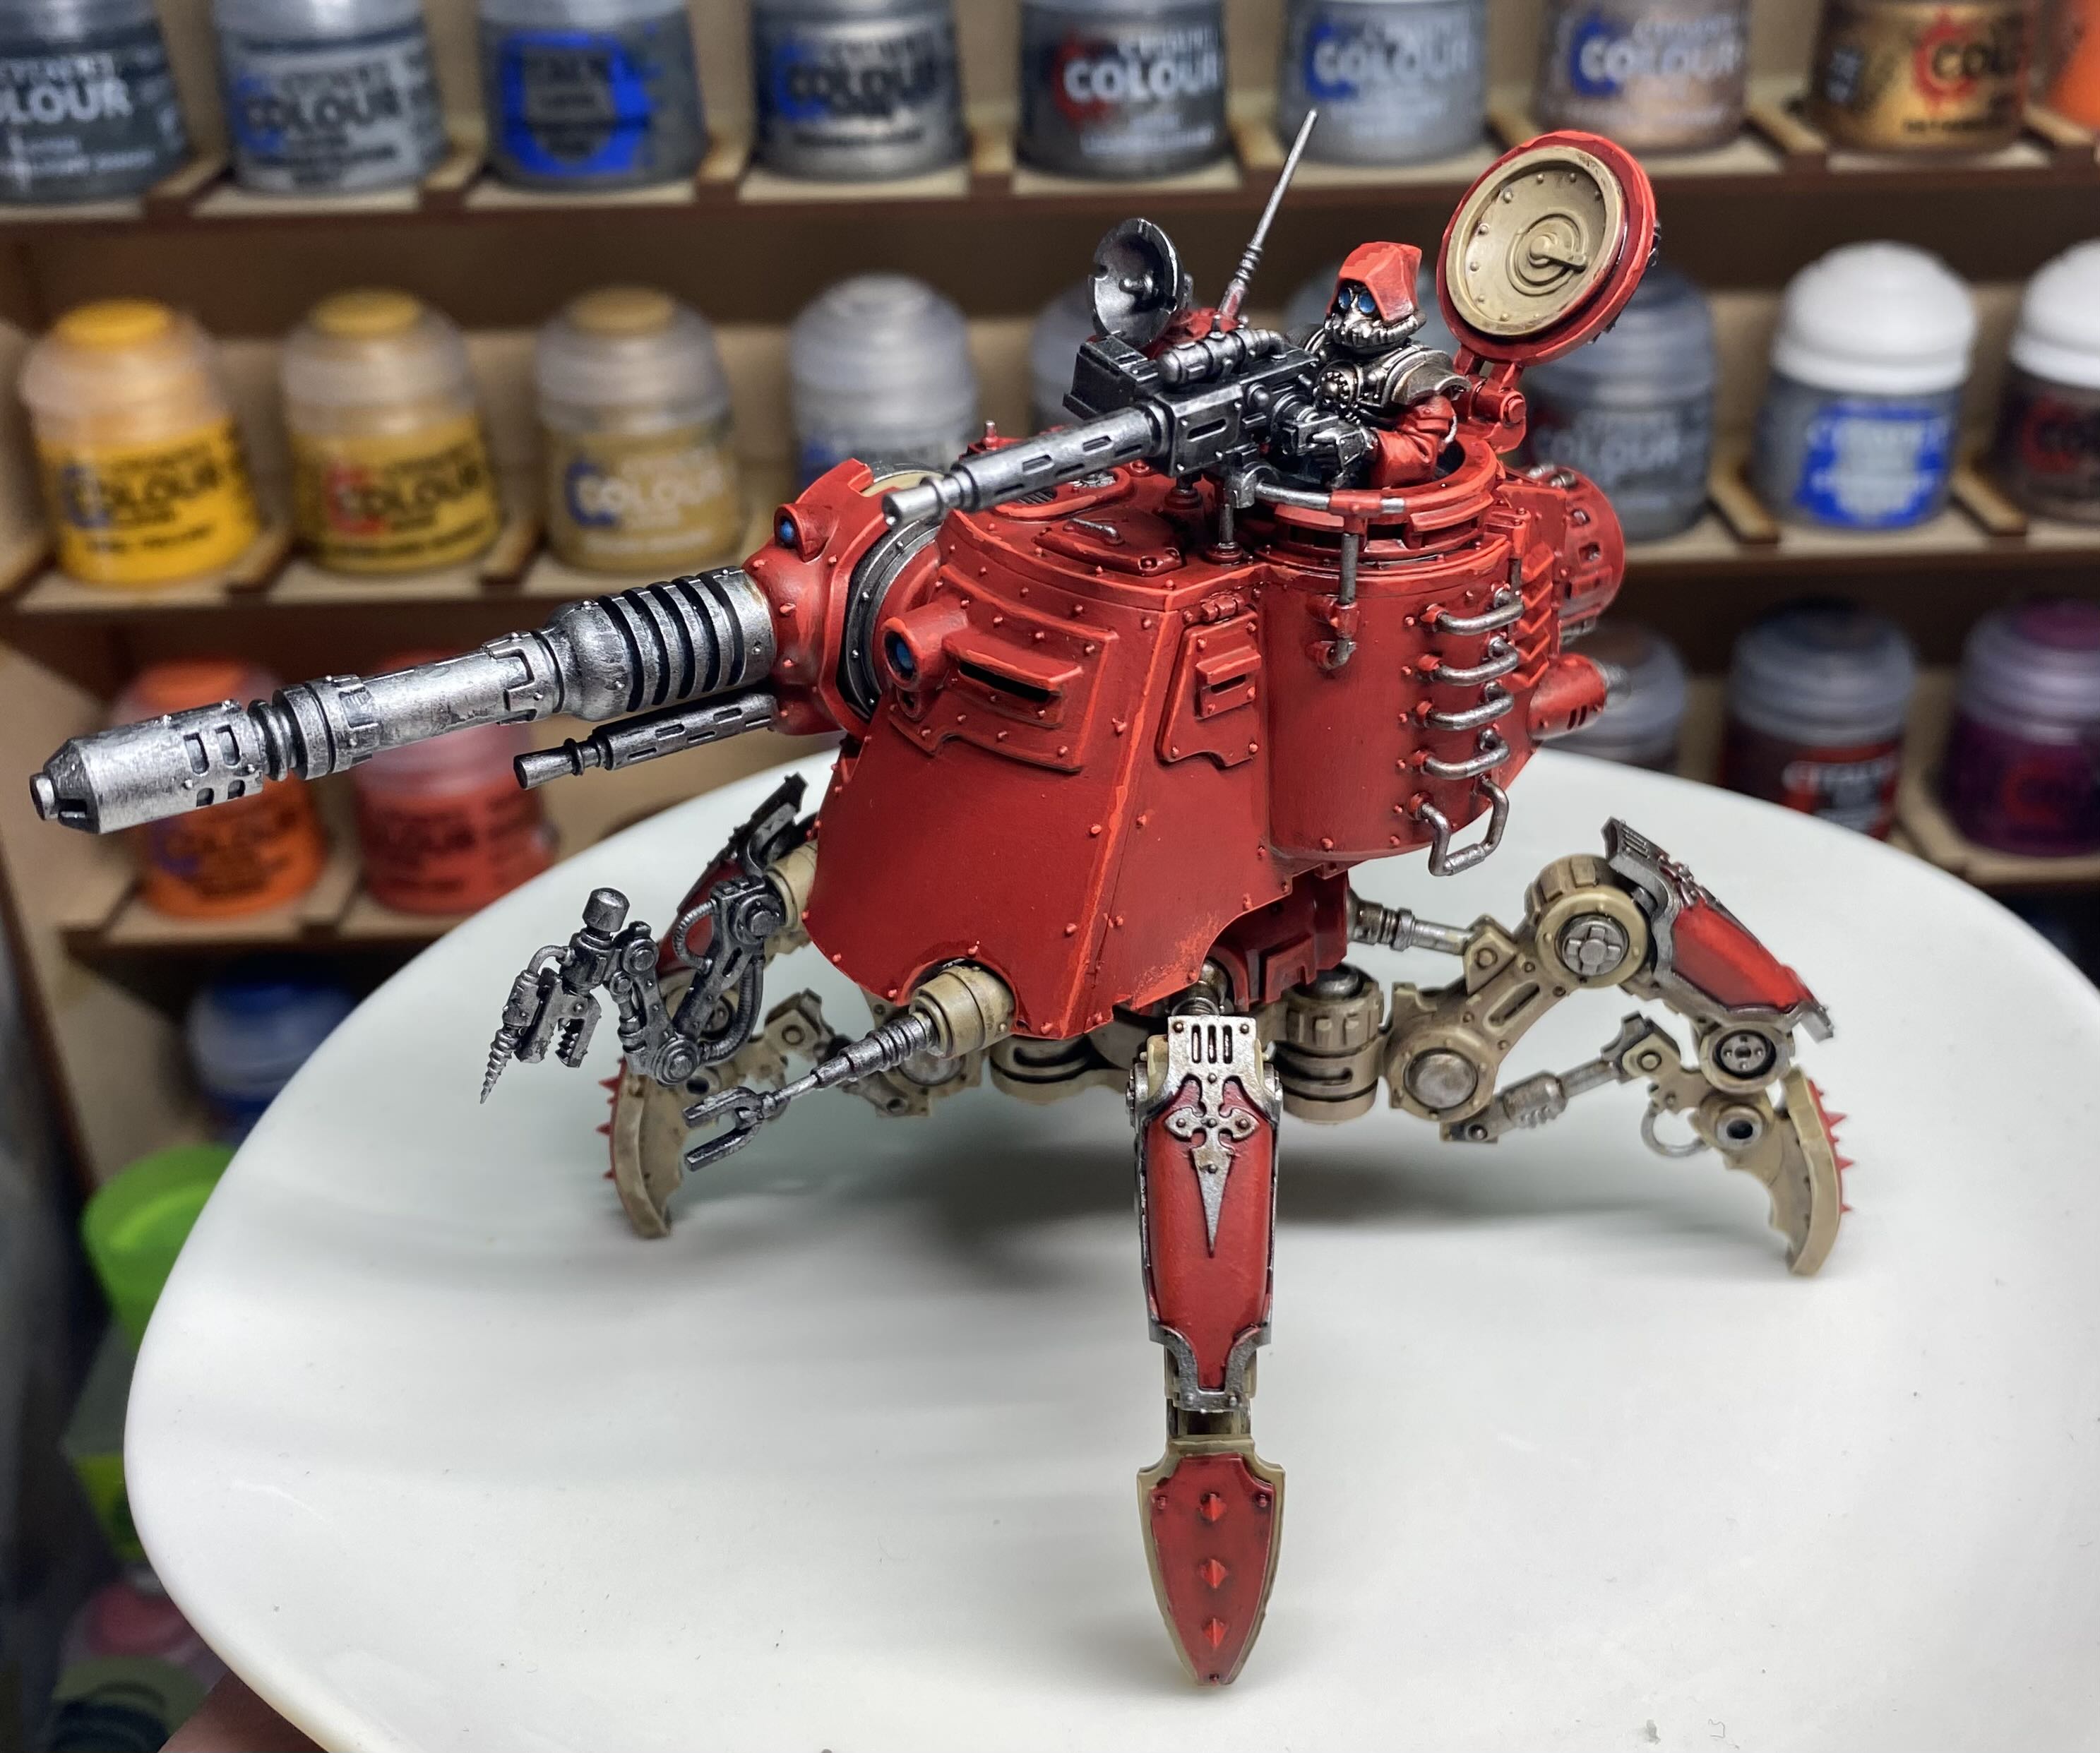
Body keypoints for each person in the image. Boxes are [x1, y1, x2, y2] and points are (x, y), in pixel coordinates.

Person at [1271, 241, 1461, 489]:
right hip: (1294, 471)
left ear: (1390, 306)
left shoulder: (1420, 375)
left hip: (1373, 491)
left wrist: (1366, 443)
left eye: (1367, 304)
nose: (1351, 316)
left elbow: (1421, 454)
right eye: (1345, 299)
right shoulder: (1310, 343)